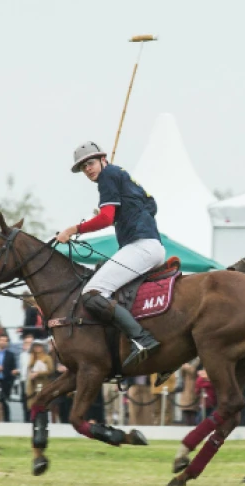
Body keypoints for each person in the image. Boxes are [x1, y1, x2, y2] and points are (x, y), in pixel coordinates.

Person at [55, 141, 167, 369]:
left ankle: (142, 339)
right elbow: (151, 206)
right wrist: (119, 210)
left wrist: (72, 230)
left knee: (92, 293)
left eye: (91, 163)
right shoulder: (122, 175)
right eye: (83, 167)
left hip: (140, 247)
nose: (88, 169)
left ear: (103, 159)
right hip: (153, 246)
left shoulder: (108, 177)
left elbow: (105, 218)